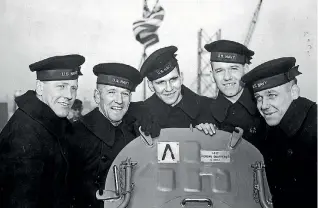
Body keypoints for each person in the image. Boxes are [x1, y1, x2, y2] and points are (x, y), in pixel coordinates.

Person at [68, 63, 159, 207]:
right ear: (97, 96)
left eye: (125, 94)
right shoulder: (74, 134)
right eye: (112, 92)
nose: (119, 100)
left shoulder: (136, 132)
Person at [0, 54, 85, 207]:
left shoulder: (50, 123)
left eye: (74, 88)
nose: (69, 95)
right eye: (61, 86)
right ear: (39, 87)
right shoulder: (25, 133)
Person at [241, 57, 317, 208]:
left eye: (272, 95)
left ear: (294, 92)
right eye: (259, 98)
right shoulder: (266, 132)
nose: (264, 105)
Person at [134, 45, 216, 134]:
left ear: (181, 77)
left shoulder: (210, 108)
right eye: (161, 82)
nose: (169, 88)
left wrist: (213, 135)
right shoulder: (140, 115)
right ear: (151, 85)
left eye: (173, 79)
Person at [200, 40, 266, 146]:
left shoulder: (265, 107)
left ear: (246, 70)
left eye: (234, 69)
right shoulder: (203, 116)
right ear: (212, 76)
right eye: (219, 71)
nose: (227, 77)